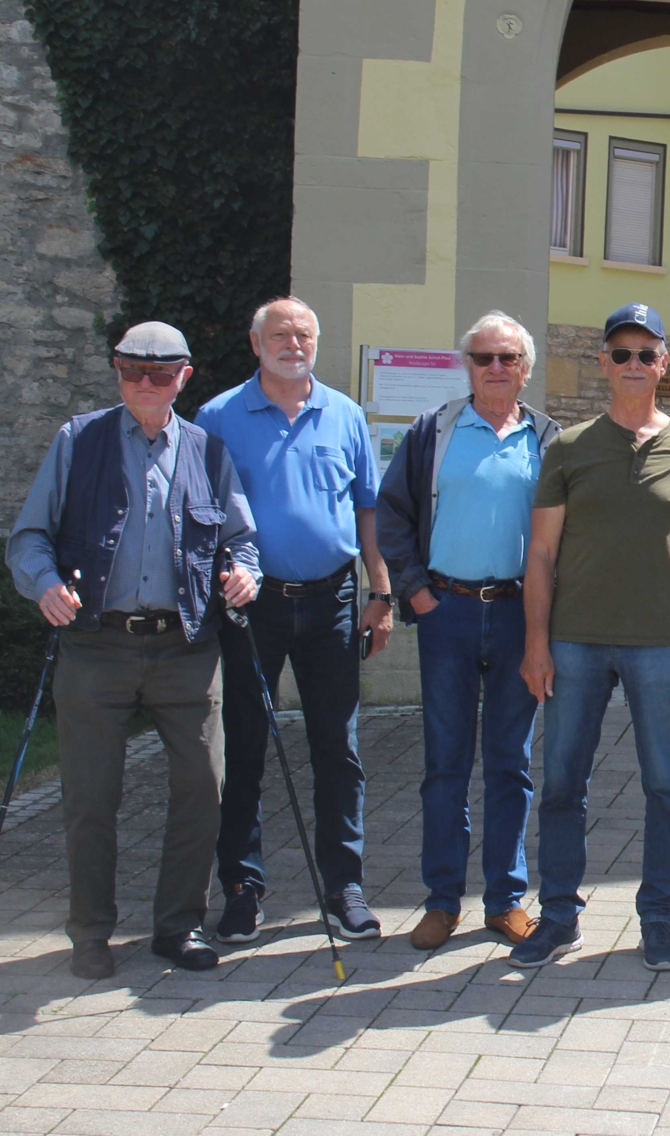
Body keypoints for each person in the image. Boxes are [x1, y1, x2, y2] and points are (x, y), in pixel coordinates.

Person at [7, 321, 260, 977]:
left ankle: (179, 925)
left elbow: (242, 539)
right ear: (116, 372)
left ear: (185, 376)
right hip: (95, 644)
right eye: (130, 371)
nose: (145, 383)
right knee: (91, 795)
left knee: (203, 785)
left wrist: (243, 571)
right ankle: (90, 931)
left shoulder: (207, 450)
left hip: (186, 646)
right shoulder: (78, 439)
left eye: (160, 372)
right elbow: (29, 536)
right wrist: (45, 585)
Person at [512, 303, 670, 972]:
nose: (634, 363)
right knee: (562, 783)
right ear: (604, 362)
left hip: (664, 640)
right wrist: (535, 641)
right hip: (575, 639)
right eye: (621, 352)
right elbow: (541, 553)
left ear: (664, 363)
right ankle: (558, 917)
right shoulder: (569, 447)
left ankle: (658, 919)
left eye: (646, 353)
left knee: (665, 784)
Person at [196, 298, 393, 945]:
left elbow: (368, 511)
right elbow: (201, 517)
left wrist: (381, 592)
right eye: (279, 333)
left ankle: (344, 886)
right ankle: (243, 890)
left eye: (304, 333)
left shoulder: (346, 414)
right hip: (253, 605)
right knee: (247, 746)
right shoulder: (219, 417)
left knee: (339, 747)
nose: (293, 342)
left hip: (334, 598)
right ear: (256, 343)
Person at [375, 311, 561, 951]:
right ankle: (441, 899)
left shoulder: (548, 438)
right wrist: (416, 592)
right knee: (445, 764)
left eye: (508, 357)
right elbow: (391, 513)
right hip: (446, 612)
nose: (496, 369)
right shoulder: (435, 432)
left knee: (512, 764)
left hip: (519, 616)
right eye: (484, 358)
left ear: (526, 367)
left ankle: (506, 899)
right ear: (468, 366)